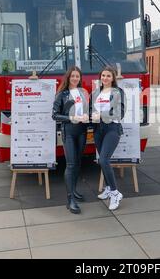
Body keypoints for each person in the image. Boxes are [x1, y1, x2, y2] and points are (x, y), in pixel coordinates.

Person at [52, 66, 89, 214]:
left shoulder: (82, 92)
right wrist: (71, 118)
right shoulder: (62, 94)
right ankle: (70, 200)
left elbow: (86, 109)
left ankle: (74, 191)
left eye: (77, 76)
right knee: (71, 164)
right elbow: (55, 115)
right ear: (68, 77)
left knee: (78, 162)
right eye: (73, 76)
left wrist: (87, 115)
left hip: (82, 131)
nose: (75, 78)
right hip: (69, 131)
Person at [92, 66, 126, 211]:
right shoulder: (95, 93)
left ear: (113, 78)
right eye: (103, 75)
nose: (105, 78)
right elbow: (91, 110)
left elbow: (120, 113)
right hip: (98, 129)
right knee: (102, 160)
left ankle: (115, 193)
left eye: (108, 76)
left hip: (112, 128)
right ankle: (107, 188)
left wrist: (102, 116)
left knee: (104, 159)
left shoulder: (118, 92)